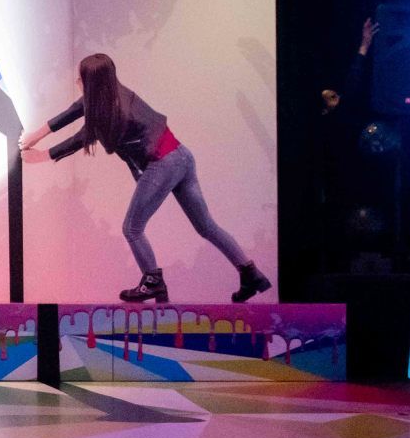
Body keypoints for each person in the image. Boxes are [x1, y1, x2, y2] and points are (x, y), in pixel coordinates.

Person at [20, 53, 271, 304]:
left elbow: (83, 136)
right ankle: (250, 274)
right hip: (182, 156)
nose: (77, 81)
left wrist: (42, 156)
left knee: (132, 228)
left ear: (93, 83)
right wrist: (36, 135)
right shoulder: (111, 94)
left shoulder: (113, 112)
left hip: (163, 164)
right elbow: (76, 110)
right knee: (206, 226)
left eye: (82, 78)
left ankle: (153, 282)